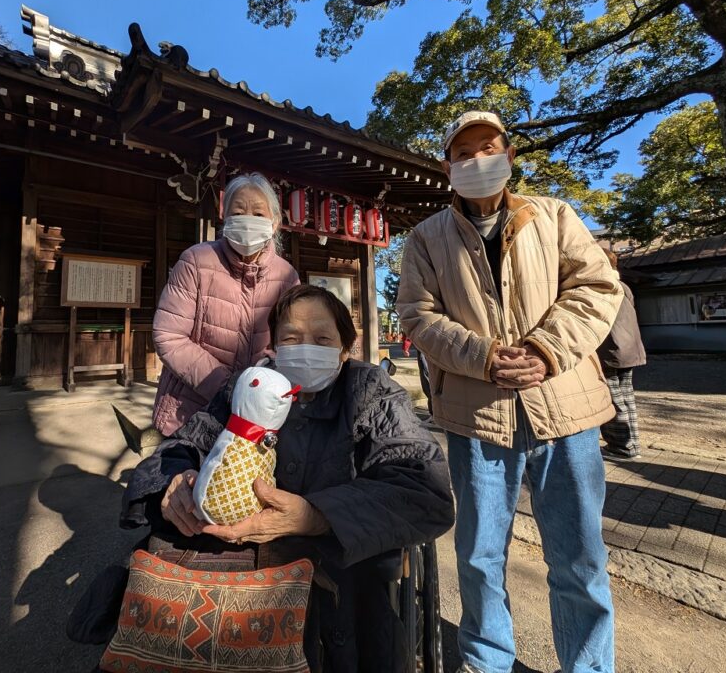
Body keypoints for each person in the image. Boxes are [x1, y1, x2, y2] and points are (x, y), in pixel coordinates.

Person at [123, 284, 454, 672]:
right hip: (226, 581)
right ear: (274, 347)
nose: (305, 347)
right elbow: (182, 445)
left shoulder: (370, 393)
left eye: (322, 338)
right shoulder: (245, 387)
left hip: (336, 580)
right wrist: (173, 483)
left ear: (345, 348)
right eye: (291, 338)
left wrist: (317, 515)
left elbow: (424, 489)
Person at [397, 110, 623, 673]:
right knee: (477, 556)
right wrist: (484, 357)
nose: (477, 160)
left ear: (509, 156)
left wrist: (545, 350)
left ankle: (589, 665)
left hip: (564, 408)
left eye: (488, 147)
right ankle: (486, 661)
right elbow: (416, 315)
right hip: (477, 414)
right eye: (463, 152)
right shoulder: (427, 238)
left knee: (581, 557)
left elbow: (597, 286)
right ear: (447, 165)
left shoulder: (554, 215)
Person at [150, 172, 299, 435]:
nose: (248, 220)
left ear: (275, 223)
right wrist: (227, 386)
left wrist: (261, 383)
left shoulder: (287, 277)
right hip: (189, 413)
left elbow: (291, 342)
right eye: (239, 212)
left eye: (258, 214)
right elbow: (169, 335)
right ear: (225, 218)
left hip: (256, 416)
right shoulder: (196, 261)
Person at [598, 249, 647, 460]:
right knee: (626, 396)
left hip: (611, 347)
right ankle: (632, 443)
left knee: (612, 398)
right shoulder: (624, 286)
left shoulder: (602, 284)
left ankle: (620, 445)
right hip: (630, 348)